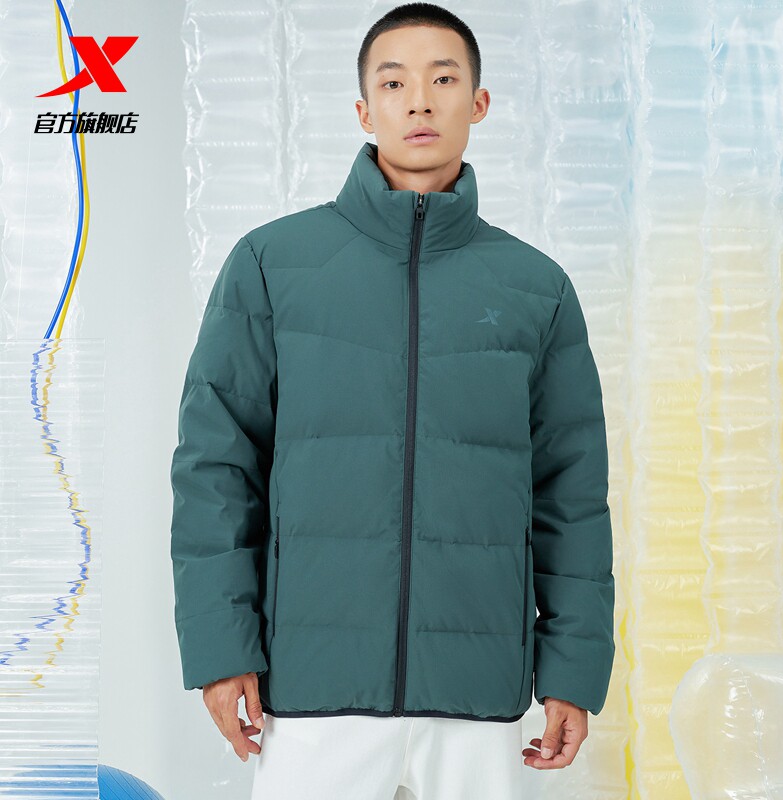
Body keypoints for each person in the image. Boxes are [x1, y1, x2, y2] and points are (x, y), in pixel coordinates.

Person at [169, 3, 615, 798]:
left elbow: (571, 495)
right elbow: (215, 468)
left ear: (479, 102)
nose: (419, 102)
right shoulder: (273, 264)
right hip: (313, 688)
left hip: (476, 693)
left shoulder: (536, 289)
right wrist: (221, 648)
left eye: (443, 80)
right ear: (363, 110)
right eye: (394, 82)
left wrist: (572, 670)